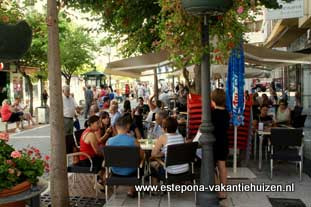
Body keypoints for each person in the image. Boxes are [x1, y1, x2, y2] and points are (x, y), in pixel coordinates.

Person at [106, 116, 144, 197]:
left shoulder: (109, 141)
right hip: (131, 172)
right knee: (142, 164)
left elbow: (106, 157)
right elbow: (142, 156)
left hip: (115, 172)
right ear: (128, 126)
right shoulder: (134, 141)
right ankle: (132, 189)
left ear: (116, 127)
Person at [150, 117, 189, 185]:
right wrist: (164, 153)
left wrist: (161, 155)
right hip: (185, 170)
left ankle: (154, 190)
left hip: (171, 172)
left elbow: (153, 154)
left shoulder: (163, 137)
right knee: (160, 162)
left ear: (166, 129)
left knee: (152, 164)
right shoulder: (180, 136)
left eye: (162, 127)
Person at [210, 89, 230, 200]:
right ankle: (223, 192)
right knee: (222, 166)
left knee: (210, 166)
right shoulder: (226, 113)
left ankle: (217, 189)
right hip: (224, 141)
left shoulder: (212, 113)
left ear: (213, 100)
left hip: (214, 142)